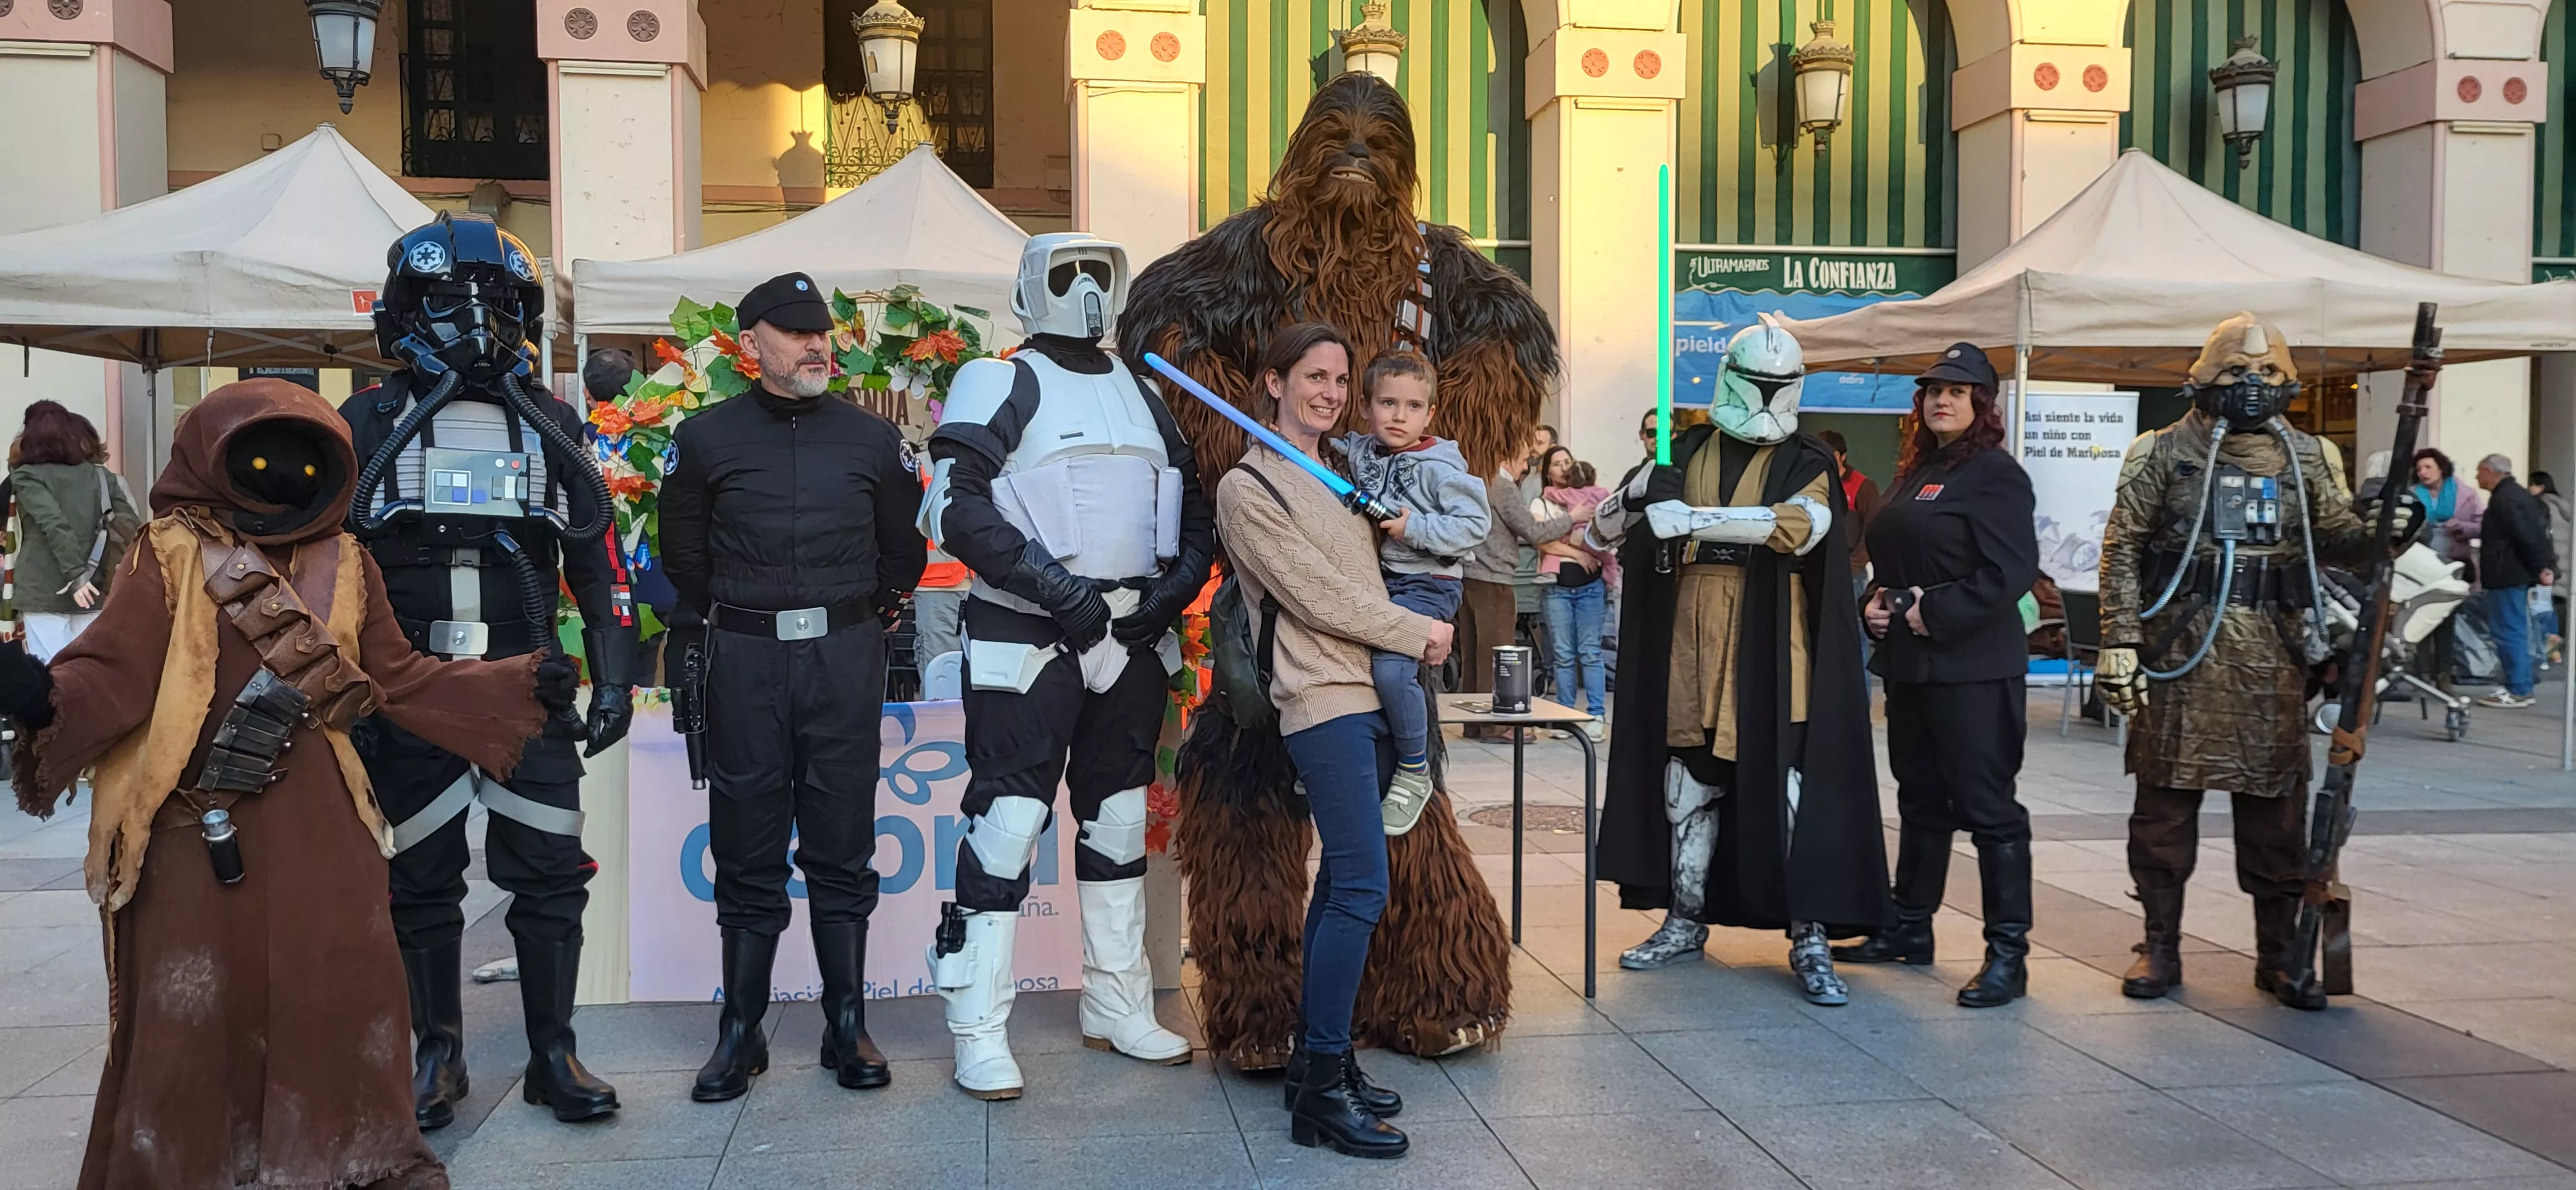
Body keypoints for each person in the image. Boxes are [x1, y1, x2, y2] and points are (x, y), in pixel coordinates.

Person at [0, 377, 572, 1190]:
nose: (282, 475)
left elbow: (398, 679)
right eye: (257, 456)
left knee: (337, 997)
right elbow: (115, 676)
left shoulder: (348, 562)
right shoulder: (165, 552)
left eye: (305, 459)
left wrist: (515, 687)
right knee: (191, 1013)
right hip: (189, 828)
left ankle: (355, 1160)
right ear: (210, 457)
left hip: (322, 821)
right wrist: (41, 696)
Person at [1124, 71, 1536, 1068]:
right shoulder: (1244, 255)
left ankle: (1430, 986)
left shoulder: (1437, 271)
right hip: (1269, 587)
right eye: (1334, 137)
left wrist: (1418, 436)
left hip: (1381, 579)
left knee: (1401, 787)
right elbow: (1157, 330)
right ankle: (1261, 1009)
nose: (1354, 153)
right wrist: (1235, 441)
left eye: (1374, 140)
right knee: (1249, 789)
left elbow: (1513, 349)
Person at [342, 212, 639, 1128]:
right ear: (404, 311)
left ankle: (554, 1054)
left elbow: (596, 556)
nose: (475, 323)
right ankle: (438, 1056)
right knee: (418, 877)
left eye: (498, 305)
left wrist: (615, 673)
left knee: (550, 872)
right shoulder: (365, 422)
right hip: (409, 687)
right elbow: (325, 557)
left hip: (527, 680)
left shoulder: (549, 423)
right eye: (446, 304)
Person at [918, 234, 1215, 1100]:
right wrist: (1057, 589)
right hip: (1028, 633)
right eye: (1067, 273)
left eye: (1101, 273)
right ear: (1029, 284)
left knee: (1119, 822)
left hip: (1131, 634)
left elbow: (1191, 503)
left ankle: (1117, 1004)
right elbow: (952, 503)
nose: (1086, 289)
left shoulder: (1143, 387)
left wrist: (1170, 593)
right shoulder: (998, 377)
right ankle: (978, 1025)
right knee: (1008, 821)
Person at [659, 270, 928, 1100]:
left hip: (845, 658)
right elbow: (684, 561)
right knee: (744, 840)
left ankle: (845, 1024)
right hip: (744, 663)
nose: (817, 344)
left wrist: (857, 612)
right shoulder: (705, 440)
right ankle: (739, 1032)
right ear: (752, 347)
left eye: (822, 332)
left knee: (843, 838)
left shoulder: (870, 441)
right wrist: (749, 617)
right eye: (796, 332)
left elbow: (904, 555)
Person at [1593, 320, 1888, 1005]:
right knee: (1689, 785)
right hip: (1690, 631)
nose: (1762, 397)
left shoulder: (1807, 457)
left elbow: (1806, 527)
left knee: (1787, 788)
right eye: (1754, 381)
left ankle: (1807, 934)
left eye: (1776, 386)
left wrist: (1692, 521)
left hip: (1771, 632)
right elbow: (1599, 530)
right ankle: (1685, 919)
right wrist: (1635, 497)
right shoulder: (1681, 446)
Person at [1217, 323, 1454, 1159]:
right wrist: (1413, 628)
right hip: (1322, 698)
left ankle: (1323, 1063)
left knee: (1342, 889)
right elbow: (1314, 594)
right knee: (1360, 883)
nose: (1327, 391)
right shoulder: (1251, 489)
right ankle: (1320, 1085)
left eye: (1338, 379)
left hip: (1376, 694)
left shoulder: (1347, 469)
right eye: (1311, 376)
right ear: (1273, 382)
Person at [2094, 313, 2373, 1010]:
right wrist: (2118, 640)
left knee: (2276, 813)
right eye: (2237, 373)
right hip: (2178, 649)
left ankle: (2279, 955)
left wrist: (2386, 531)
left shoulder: (2310, 455)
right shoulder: (2157, 452)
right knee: (2161, 810)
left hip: (2271, 656)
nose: (2253, 386)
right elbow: (2122, 547)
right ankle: (2159, 945)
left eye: (2268, 374)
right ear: (2204, 377)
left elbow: (2335, 536)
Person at [1835, 345, 2040, 1008]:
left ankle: (2008, 953)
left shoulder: (1995, 475)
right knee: (1920, 799)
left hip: (1974, 667)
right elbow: (1899, 555)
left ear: (1982, 403)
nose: (1940, 400)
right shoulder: (1917, 469)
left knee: (1988, 811)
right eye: (1931, 392)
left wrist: (1934, 610)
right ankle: (1909, 927)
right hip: (1912, 666)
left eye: (1956, 391)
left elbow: (2008, 573)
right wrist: (1878, 601)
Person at [1332, 351, 1490, 831]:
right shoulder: (1363, 451)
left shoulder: (1441, 467)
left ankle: (1415, 767)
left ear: (1430, 414)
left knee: (1392, 668)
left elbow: (1475, 526)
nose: (1399, 416)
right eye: (1388, 403)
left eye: (1413, 407)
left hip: (1429, 583)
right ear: (1365, 406)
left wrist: (1414, 527)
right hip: (1381, 581)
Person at [5, 401, 138, 661]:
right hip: (96, 588)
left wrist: (77, 575)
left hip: (43, 590)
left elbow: (53, 522)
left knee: (52, 674)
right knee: (87, 675)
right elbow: (129, 523)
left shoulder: (27, 476)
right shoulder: (102, 476)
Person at [1463, 437, 1573, 701]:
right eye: (1524, 460)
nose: (1526, 467)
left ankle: (1474, 723)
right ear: (1507, 457)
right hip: (1494, 578)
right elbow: (1534, 531)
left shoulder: (1478, 480)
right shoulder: (1502, 486)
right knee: (1497, 653)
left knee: (1473, 655)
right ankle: (1497, 725)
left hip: (1471, 576)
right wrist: (1573, 518)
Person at [1534, 446, 1611, 737]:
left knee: (1590, 652)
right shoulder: (1542, 503)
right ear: (1549, 472)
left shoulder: (1593, 496)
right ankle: (1564, 715)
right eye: (1557, 464)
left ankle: (1596, 716)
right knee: (1564, 654)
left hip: (1591, 588)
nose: (1564, 467)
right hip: (1557, 590)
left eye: (1568, 461)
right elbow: (1543, 542)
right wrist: (1579, 554)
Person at [2470, 453, 2556, 708]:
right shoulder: (2516, 496)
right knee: (2514, 629)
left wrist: (2542, 566)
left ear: (2489, 471)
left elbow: (2526, 536)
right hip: (2512, 572)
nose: (2477, 477)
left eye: (2479, 471)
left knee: (2509, 630)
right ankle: (2518, 684)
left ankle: (2518, 689)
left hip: (2506, 573)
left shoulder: (2506, 499)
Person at [2412, 448, 2484, 571]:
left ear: (2441, 468)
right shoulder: (2412, 495)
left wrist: (2462, 527)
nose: (2423, 473)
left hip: (2457, 559)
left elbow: (2484, 526)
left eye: (2428, 467)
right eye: (2419, 469)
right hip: (2421, 561)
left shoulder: (2467, 495)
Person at [2532, 471, 2569, 663]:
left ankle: (2547, 646)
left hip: (2548, 563)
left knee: (2541, 608)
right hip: (2564, 565)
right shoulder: (2564, 507)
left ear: (2540, 486)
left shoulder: (2542, 505)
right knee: (2557, 605)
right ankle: (2556, 643)